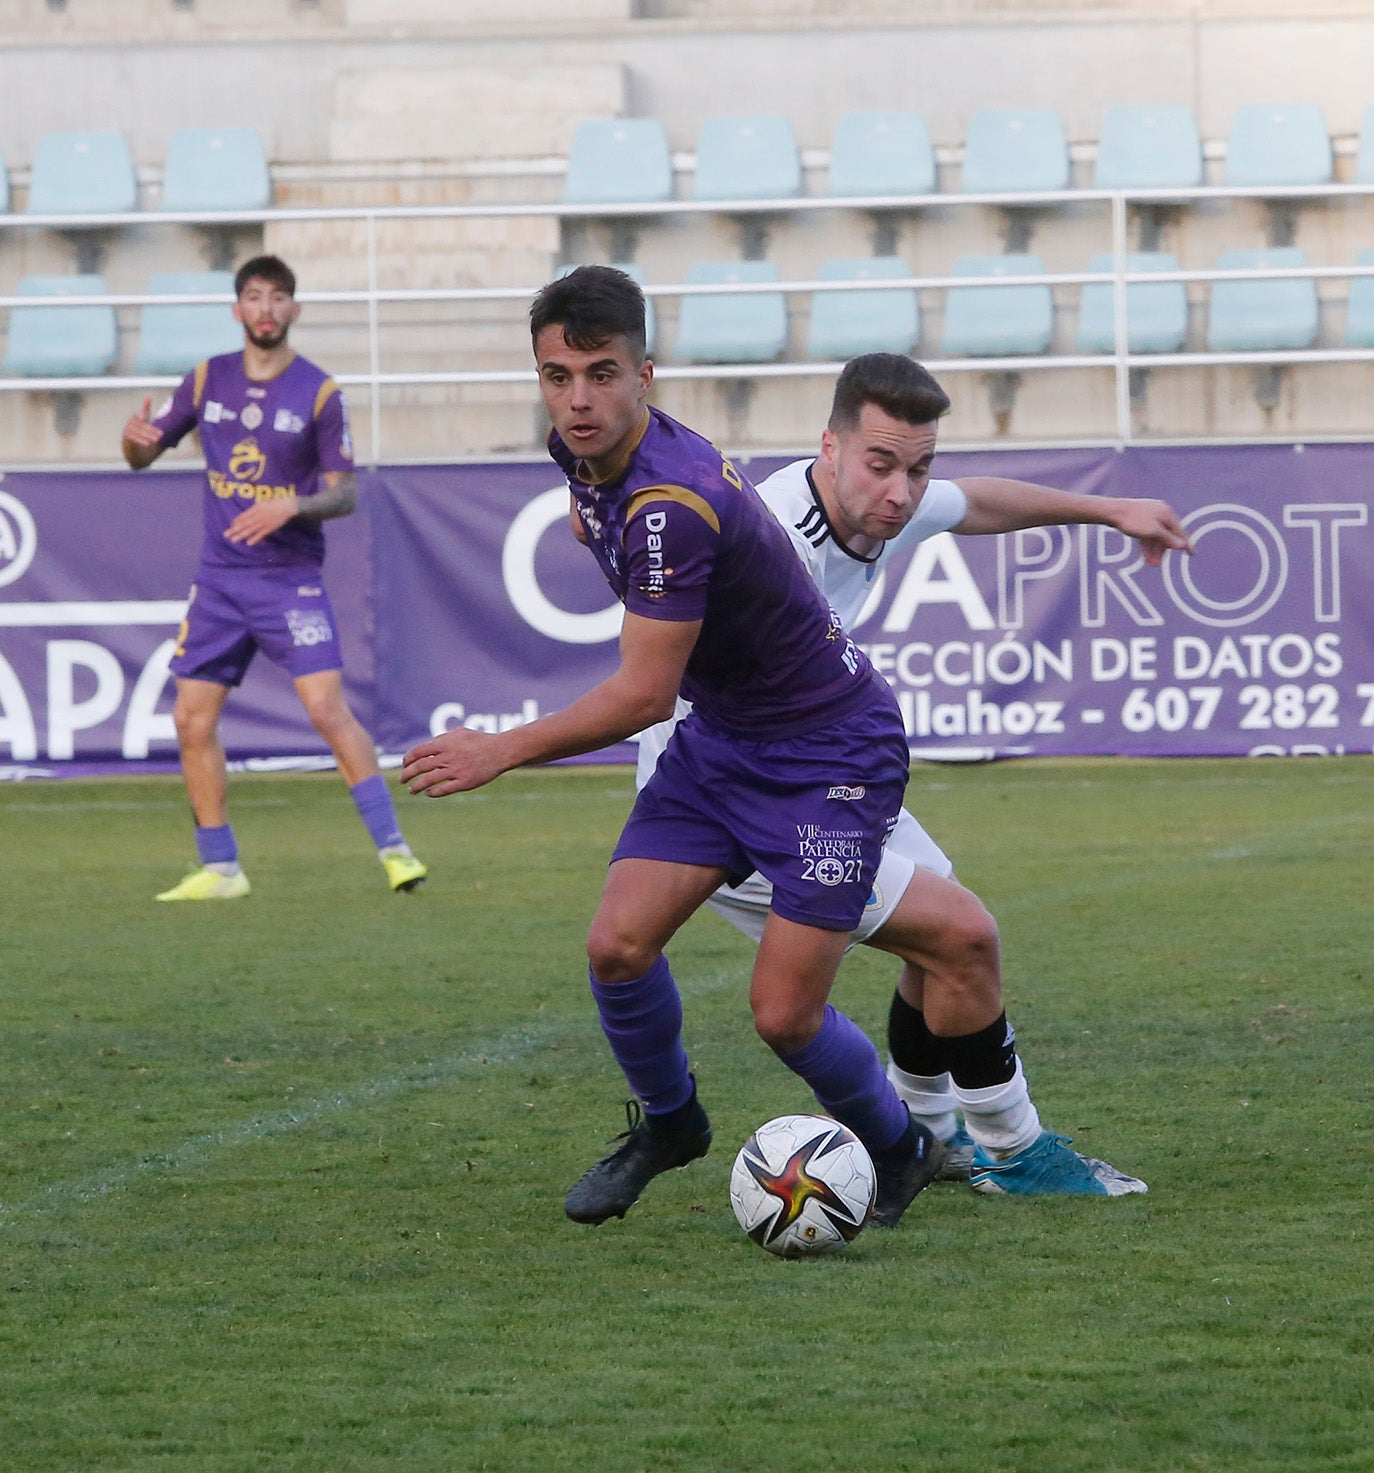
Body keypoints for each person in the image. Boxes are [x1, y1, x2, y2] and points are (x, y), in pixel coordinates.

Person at [402, 266, 945, 1228]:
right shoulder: (590, 454)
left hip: (832, 755)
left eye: (602, 374)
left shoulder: (670, 506)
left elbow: (644, 693)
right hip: (729, 738)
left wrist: (501, 747)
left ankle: (901, 1147)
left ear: (645, 374)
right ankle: (672, 1122)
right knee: (617, 945)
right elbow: (588, 516)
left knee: (783, 1014)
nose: (578, 398)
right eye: (557, 374)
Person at [637, 352, 1194, 1195]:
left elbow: (978, 502)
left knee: (945, 932)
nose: (902, 491)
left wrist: (1111, 508)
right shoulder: (773, 536)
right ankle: (1011, 1150)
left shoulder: (880, 497)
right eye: (882, 464)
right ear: (828, 447)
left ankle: (926, 1132)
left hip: (809, 767)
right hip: (733, 801)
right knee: (961, 937)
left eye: (917, 467)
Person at [120, 254, 428, 901]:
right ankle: (221, 867)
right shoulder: (206, 379)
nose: (266, 309)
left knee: (325, 708)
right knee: (191, 718)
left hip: (289, 579)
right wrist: (134, 441)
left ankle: (395, 850)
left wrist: (293, 503)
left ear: (294, 309)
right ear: (238, 310)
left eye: (277, 297)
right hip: (221, 581)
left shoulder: (318, 392)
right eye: (254, 297)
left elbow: (345, 493)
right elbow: (144, 456)